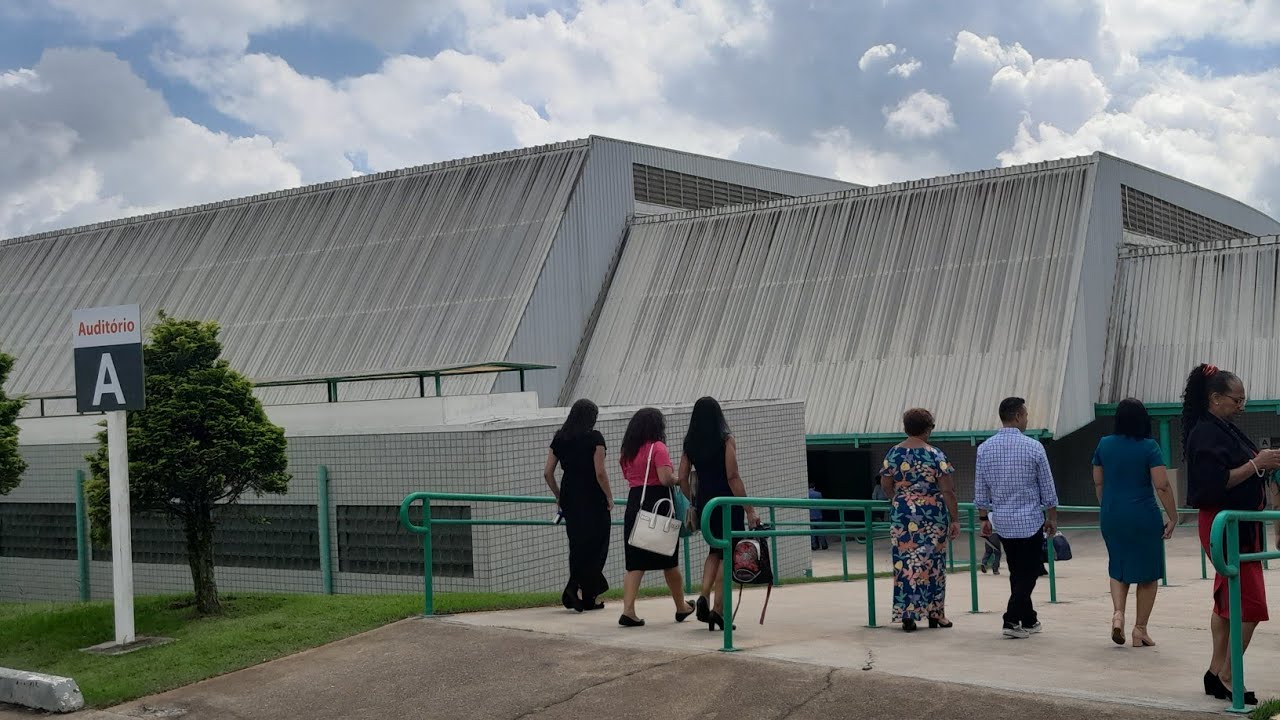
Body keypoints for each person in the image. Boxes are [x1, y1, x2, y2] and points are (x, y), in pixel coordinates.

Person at [1182, 364, 1280, 705]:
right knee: (1251, 607)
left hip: (1237, 525)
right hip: (1226, 525)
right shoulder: (1207, 434)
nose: (1241, 406)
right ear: (1215, 398)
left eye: (1243, 400)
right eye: (1236, 400)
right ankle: (1227, 674)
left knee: (1227, 602)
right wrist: (1258, 463)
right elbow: (1215, 483)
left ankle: (1214, 672)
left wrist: (1263, 463)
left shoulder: (1222, 429)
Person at [1092, 398, 1178, 647]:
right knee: (1148, 573)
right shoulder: (1149, 446)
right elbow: (1161, 485)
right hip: (1143, 514)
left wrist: (1107, 506)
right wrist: (1173, 516)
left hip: (1111, 513)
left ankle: (1118, 613)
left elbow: (1099, 482)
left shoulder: (1104, 444)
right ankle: (1139, 630)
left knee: (1118, 565)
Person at [974, 397, 1059, 640]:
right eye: (1026, 414)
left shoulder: (985, 449)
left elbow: (980, 488)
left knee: (1016, 571)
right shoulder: (1034, 447)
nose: (1028, 419)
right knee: (1030, 571)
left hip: (1002, 520)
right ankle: (1011, 619)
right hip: (1030, 519)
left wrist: (983, 517)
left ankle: (1029, 618)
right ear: (1018, 416)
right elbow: (1047, 486)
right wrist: (1051, 517)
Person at [679, 397, 758, 632]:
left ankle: (703, 595)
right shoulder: (726, 440)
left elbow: (682, 477)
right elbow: (733, 476)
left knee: (714, 550)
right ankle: (718, 611)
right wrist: (750, 510)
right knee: (728, 555)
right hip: (727, 504)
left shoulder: (690, 444)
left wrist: (694, 500)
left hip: (706, 506)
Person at [878, 408, 959, 632]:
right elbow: (948, 490)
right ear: (928, 428)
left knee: (906, 564)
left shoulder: (893, 454)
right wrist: (955, 518)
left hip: (903, 516)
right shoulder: (935, 454)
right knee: (934, 565)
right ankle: (936, 614)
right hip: (932, 517)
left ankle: (907, 614)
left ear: (906, 428)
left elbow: (885, 485)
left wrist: (901, 499)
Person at [618, 407, 695, 627]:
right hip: (658, 505)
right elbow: (664, 478)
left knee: (635, 562)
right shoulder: (658, 448)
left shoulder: (628, 451)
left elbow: (629, 476)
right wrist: (680, 479)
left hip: (635, 504)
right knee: (668, 560)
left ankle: (629, 610)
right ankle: (681, 606)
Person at [543, 399, 614, 613]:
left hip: (570, 497)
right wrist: (609, 497)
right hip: (593, 497)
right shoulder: (595, 438)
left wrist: (559, 495)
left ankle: (587, 597)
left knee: (578, 546)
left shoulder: (560, 438)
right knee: (598, 546)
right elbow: (600, 472)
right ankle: (574, 589)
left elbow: (548, 472)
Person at [808, 483, 828, 551]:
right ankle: (823, 545)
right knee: (820, 531)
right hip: (818, 515)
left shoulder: (807, 494)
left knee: (812, 533)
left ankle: (814, 546)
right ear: (814, 487)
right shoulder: (818, 494)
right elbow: (822, 504)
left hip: (810, 516)